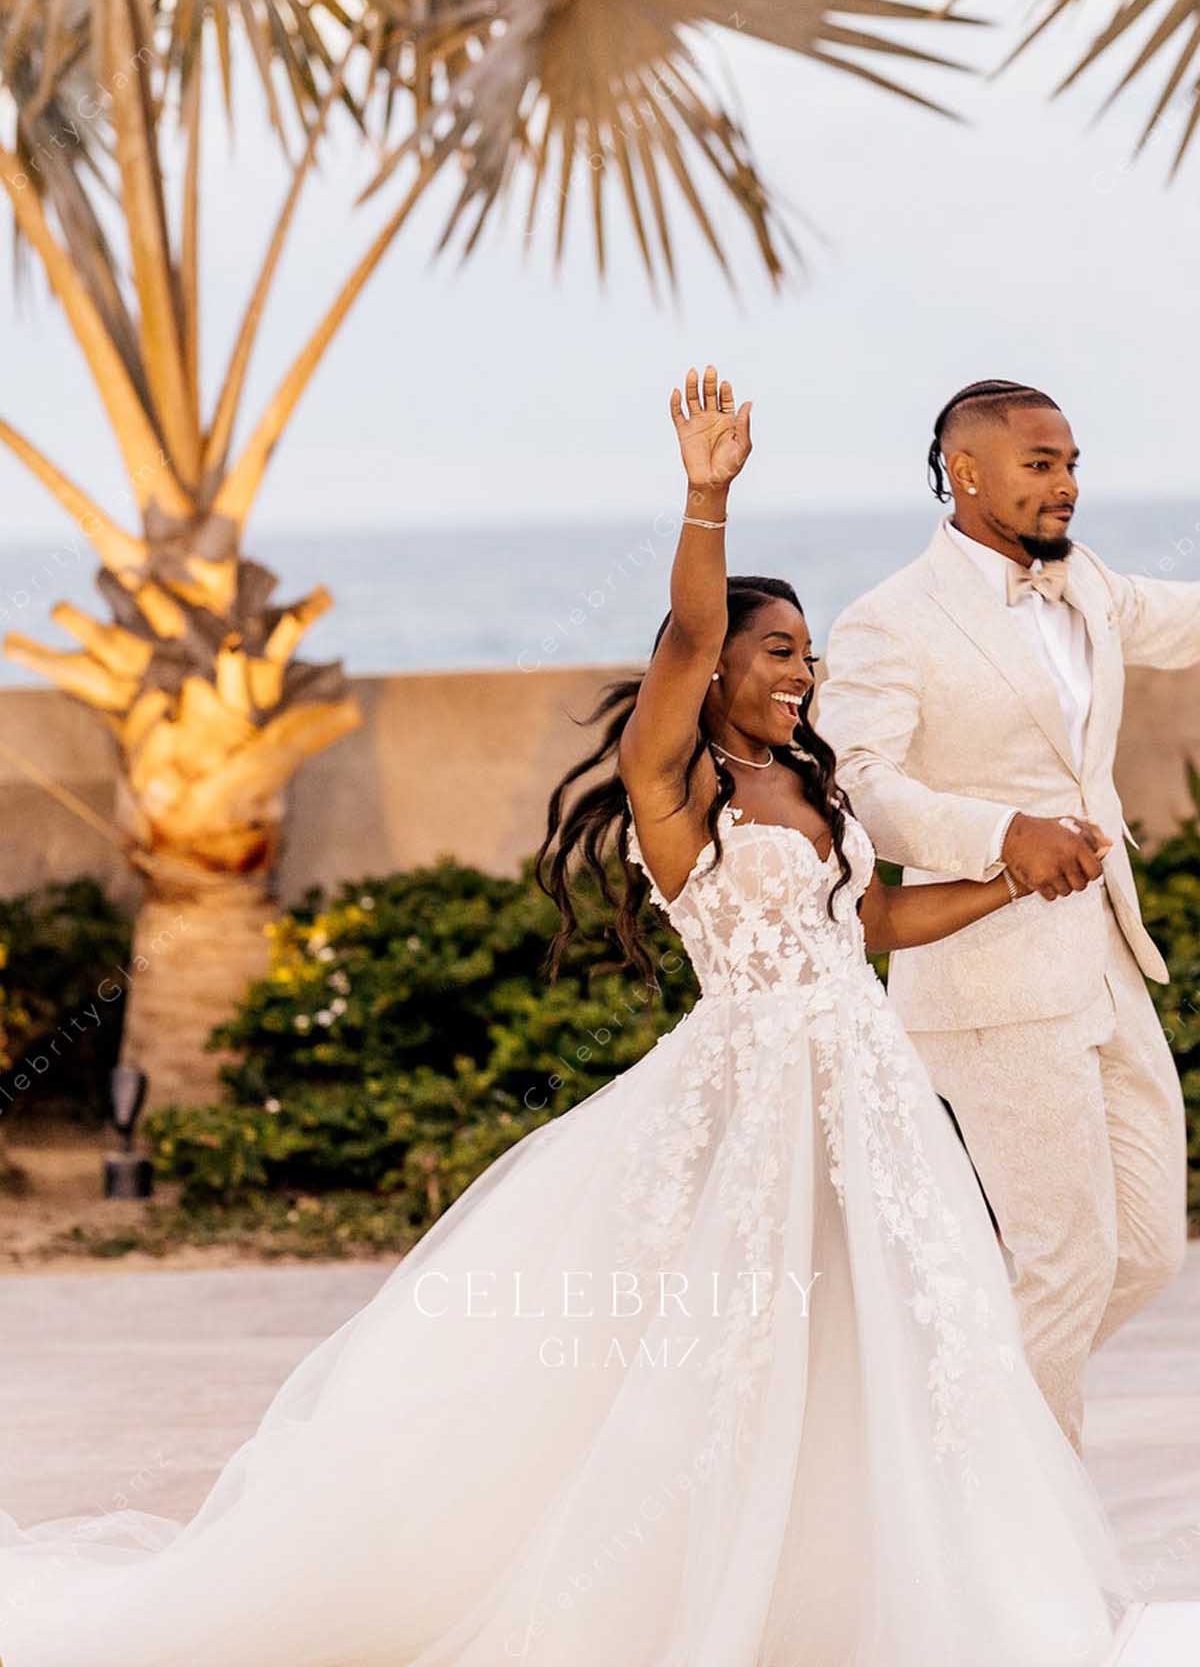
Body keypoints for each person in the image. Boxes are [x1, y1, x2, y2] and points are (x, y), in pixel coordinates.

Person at [0, 366, 1149, 1667]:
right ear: (718, 666)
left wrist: (1003, 881)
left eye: (809, 652)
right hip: (752, 1096)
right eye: (778, 650)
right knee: (731, 1358)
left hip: (865, 1100)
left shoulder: (808, 786)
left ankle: (846, 1608)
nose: (803, 672)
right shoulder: (677, 789)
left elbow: (866, 926)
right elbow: (682, 636)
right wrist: (706, 497)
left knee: (876, 1345)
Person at [817, 378, 1200, 1461]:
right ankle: (1030, 1546)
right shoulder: (891, 619)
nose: (1066, 483)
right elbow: (859, 782)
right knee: (1066, 1261)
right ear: (965, 470)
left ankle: (957, 1434)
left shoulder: (1084, 587)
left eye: (1072, 461)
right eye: (1040, 463)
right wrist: (998, 832)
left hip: (1107, 959)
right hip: (989, 982)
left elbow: (1184, 617)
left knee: (1144, 1255)